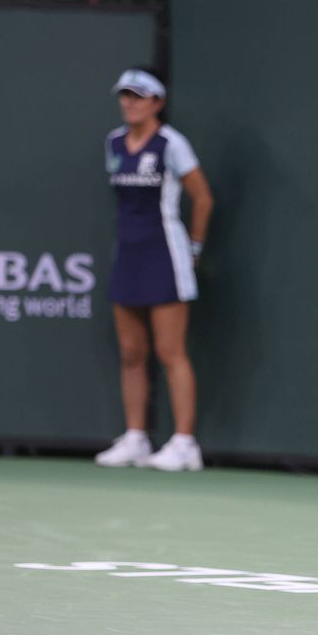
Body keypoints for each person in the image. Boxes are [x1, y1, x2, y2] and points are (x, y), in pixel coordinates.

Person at [94, 68, 214, 472]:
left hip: (166, 254)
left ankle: (184, 444)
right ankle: (135, 437)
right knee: (131, 352)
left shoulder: (171, 144)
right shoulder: (113, 142)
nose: (130, 102)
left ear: (157, 103)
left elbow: (202, 198)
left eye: (139, 96)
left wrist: (194, 248)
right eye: (125, 95)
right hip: (127, 254)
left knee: (170, 351)